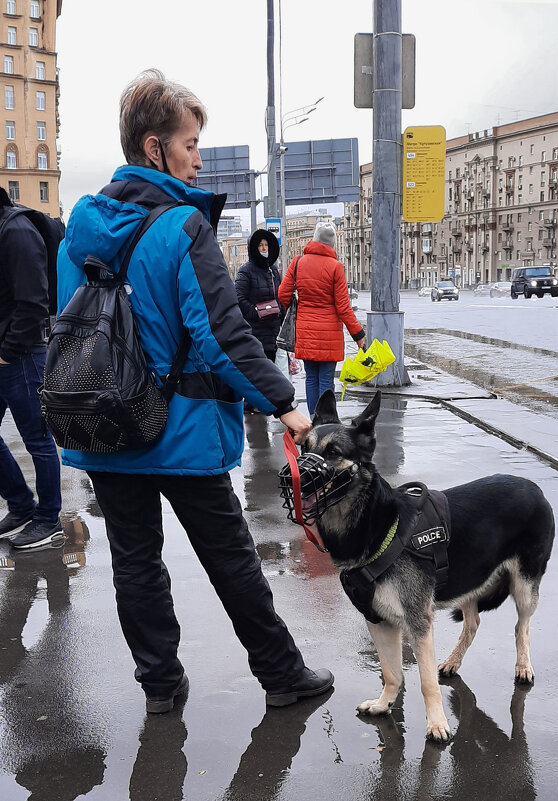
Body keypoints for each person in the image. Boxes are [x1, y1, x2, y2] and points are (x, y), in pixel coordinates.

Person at [56, 69, 333, 714]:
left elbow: (62, 327)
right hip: (182, 429)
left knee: (135, 563)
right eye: (189, 143)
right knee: (231, 559)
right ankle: (283, 676)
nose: (198, 157)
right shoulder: (183, 229)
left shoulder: (81, 230)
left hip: (104, 425)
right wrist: (285, 404)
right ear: (155, 149)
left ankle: (160, 689)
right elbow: (223, 338)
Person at [0, 187, 63, 550]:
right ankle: (21, 506)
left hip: (20, 356)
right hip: (6, 353)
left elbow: (33, 302)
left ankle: (48, 519)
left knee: (38, 440)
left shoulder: (15, 230)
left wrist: (7, 352)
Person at [278, 221, 365, 415]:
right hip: (329, 335)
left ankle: (312, 421)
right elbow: (343, 307)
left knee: (311, 378)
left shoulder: (298, 262)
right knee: (326, 380)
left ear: (314, 239)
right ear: (332, 244)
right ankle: (325, 421)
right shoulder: (336, 267)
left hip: (305, 331)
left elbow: (283, 294)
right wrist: (358, 335)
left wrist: (296, 310)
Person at [235, 229, 286, 412]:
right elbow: (238, 298)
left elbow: (279, 294)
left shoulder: (272, 270)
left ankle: (263, 402)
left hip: (272, 328)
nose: (263, 248)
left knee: (269, 368)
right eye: (260, 245)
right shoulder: (246, 271)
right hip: (255, 330)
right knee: (257, 369)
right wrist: (255, 313)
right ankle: (251, 404)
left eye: (266, 245)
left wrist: (280, 311)